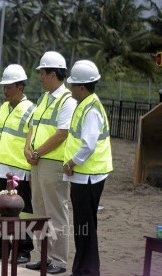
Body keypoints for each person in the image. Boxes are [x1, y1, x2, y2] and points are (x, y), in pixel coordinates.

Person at [24, 51, 77, 274]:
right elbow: (33, 126)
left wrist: (36, 152)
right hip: (37, 162)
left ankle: (59, 260)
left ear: (53, 74)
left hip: (53, 164)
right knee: (39, 211)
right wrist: (27, 149)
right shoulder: (44, 98)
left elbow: (61, 134)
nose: (40, 77)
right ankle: (44, 257)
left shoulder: (67, 100)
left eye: (42, 73)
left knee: (56, 213)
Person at [0, 64, 35, 264]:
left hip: (21, 170)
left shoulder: (31, 110)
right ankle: (1, 247)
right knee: (1, 209)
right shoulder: (2, 108)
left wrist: (31, 173)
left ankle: (24, 250)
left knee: (23, 210)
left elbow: (32, 142)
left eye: (9, 87)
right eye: (4, 86)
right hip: (2, 168)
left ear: (20, 87)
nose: (5, 90)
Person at [63, 60, 113, 276]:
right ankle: (82, 268)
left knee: (86, 227)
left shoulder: (90, 109)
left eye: (73, 84)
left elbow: (89, 145)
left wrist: (71, 163)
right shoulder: (86, 104)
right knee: (83, 226)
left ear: (81, 87)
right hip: (85, 176)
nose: (70, 88)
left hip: (89, 176)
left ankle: (88, 270)